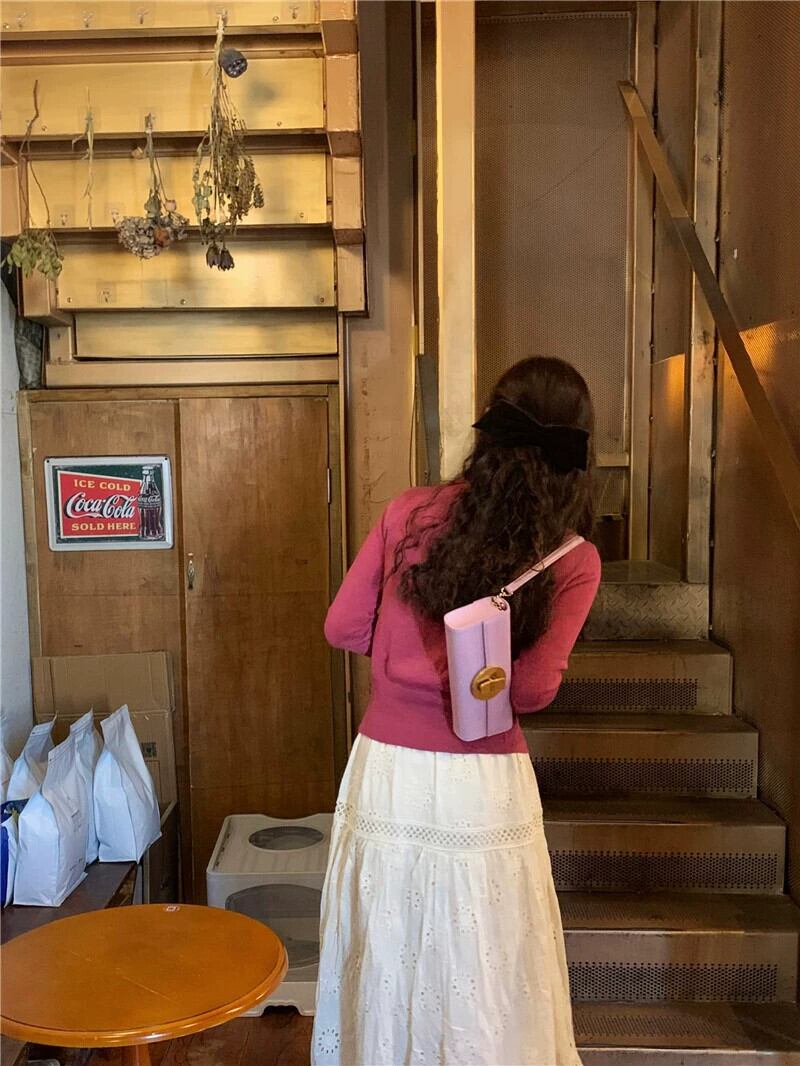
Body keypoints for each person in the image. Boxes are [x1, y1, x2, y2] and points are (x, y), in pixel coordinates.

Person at [312, 356, 601, 1066]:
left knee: (390, 943)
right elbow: (529, 692)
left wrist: (404, 658)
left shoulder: (407, 513)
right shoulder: (572, 557)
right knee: (482, 956)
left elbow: (342, 627)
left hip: (389, 771)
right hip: (484, 781)